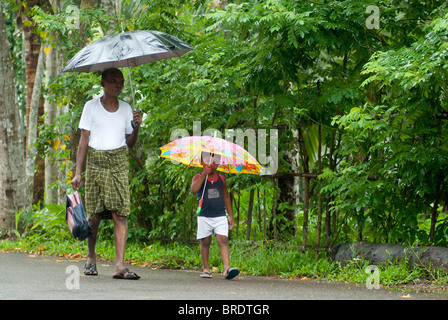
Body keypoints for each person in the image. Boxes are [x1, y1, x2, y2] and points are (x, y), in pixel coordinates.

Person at [71, 67, 143, 280]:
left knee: (120, 214)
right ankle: (91, 258)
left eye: (120, 81)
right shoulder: (90, 107)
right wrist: (78, 173)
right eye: (113, 81)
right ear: (102, 83)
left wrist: (137, 127)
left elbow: (130, 143)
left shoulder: (127, 108)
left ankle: (119, 266)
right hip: (96, 163)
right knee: (94, 216)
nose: (118, 85)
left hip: (119, 163)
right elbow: (83, 141)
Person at [190, 152, 240, 280]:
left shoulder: (221, 178)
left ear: (219, 164)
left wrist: (230, 216)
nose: (211, 164)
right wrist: (204, 175)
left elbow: (226, 197)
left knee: (223, 239)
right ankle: (206, 269)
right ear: (201, 162)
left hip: (219, 215)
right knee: (205, 241)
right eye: (208, 161)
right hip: (204, 215)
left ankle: (226, 268)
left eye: (215, 161)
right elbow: (194, 189)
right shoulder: (198, 177)